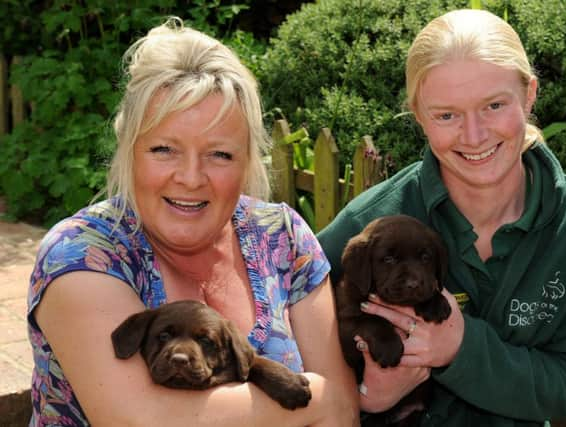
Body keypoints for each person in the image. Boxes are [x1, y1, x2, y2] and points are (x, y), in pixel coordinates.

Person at [27, 17, 358, 427]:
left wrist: (332, 401)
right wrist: (319, 399)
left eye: (219, 154)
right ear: (128, 150)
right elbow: (142, 420)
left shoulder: (282, 236)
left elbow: (344, 414)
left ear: (248, 160)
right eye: (164, 149)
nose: (190, 176)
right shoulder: (82, 254)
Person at [318, 8, 566, 427]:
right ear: (418, 114)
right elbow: (290, 352)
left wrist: (463, 349)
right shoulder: (368, 223)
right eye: (446, 115)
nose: (474, 135)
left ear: (529, 94)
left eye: (494, 105)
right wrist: (367, 396)